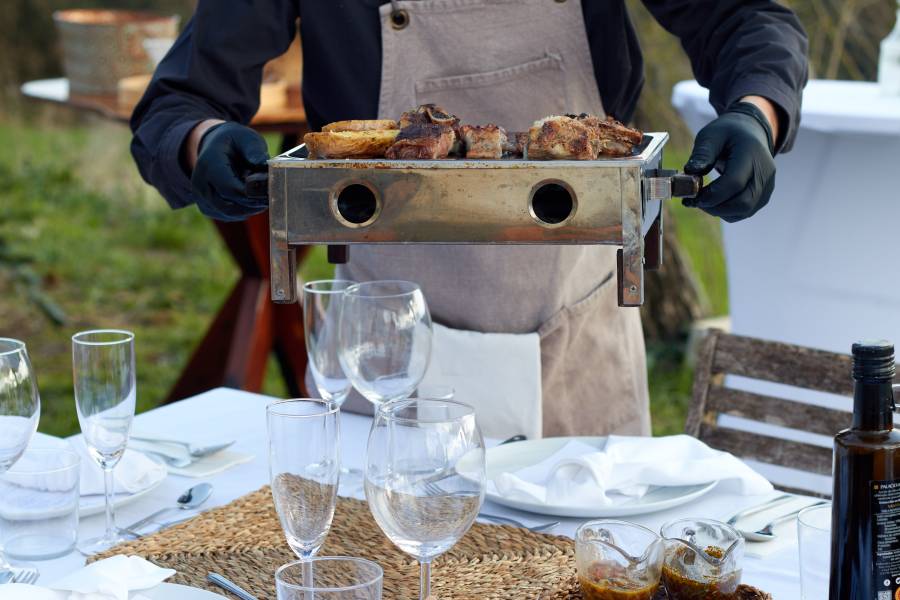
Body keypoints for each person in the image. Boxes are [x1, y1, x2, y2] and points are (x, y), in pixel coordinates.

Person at [131, 0, 808, 438]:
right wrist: (203, 144)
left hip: (578, 353)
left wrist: (756, 113)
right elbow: (177, 103)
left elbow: (747, 21)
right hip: (388, 369)